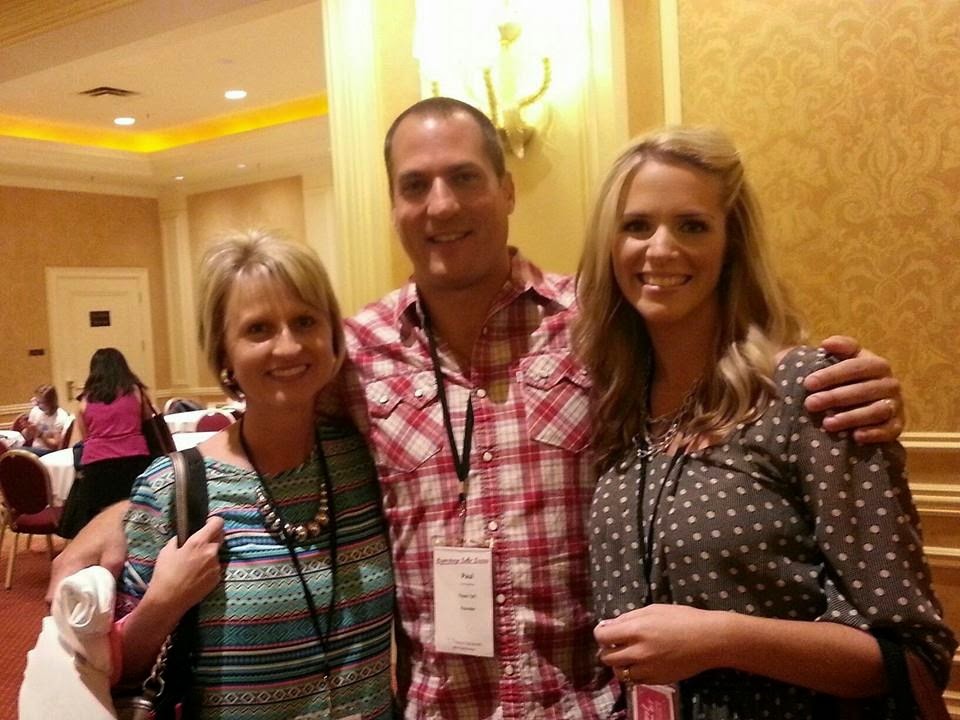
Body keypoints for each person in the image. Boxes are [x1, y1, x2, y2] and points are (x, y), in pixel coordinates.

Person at [49, 99, 908, 719]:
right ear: (393, 205)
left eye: (464, 177)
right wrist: (127, 507)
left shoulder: (601, 328)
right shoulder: (355, 354)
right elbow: (268, 441)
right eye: (415, 185)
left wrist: (842, 380)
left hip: (591, 705)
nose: (442, 205)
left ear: (506, 187)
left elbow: (712, 361)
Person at [577, 127, 956, 719]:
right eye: (637, 226)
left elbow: (910, 654)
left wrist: (720, 638)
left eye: (692, 225)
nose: (660, 248)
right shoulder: (618, 409)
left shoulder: (809, 392)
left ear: (732, 244)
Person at [114, 231, 394, 718]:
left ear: (331, 333)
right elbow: (119, 668)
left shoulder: (367, 461)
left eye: (305, 321)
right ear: (224, 353)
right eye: (259, 329)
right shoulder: (172, 489)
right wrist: (162, 604)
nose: (288, 346)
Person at [67, 349, 154, 535]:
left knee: (101, 518)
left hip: (98, 466)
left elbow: (85, 438)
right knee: (136, 512)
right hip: (135, 459)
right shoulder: (136, 392)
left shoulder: (84, 400)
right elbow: (147, 422)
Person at [22, 384, 71, 455]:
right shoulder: (36, 410)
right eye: (37, 401)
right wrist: (28, 429)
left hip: (50, 453)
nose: (37, 405)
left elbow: (56, 446)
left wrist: (40, 434)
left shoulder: (60, 417)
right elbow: (27, 437)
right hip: (35, 449)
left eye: (41, 402)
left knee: (19, 452)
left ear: (51, 402)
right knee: (13, 452)